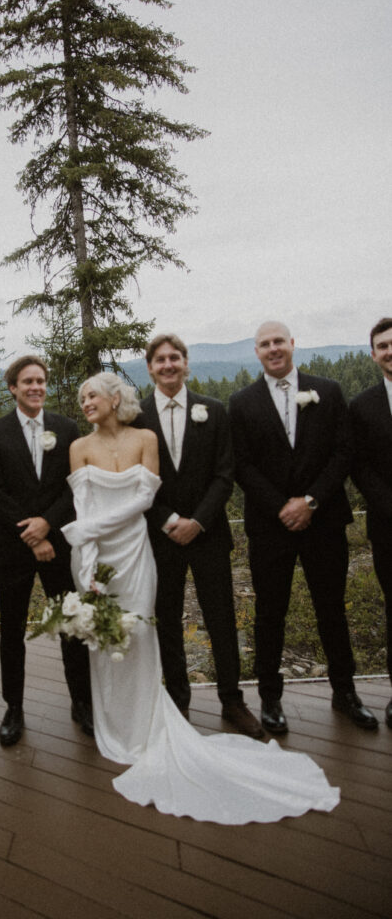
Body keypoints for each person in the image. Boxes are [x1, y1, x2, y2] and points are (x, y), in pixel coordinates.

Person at [61, 372, 340, 823]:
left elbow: (148, 496)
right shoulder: (78, 447)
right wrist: (87, 557)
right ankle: (112, 722)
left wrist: (87, 530)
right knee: (106, 637)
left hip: (135, 549)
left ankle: (160, 718)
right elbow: (83, 508)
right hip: (96, 553)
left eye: (92, 394)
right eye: (82, 397)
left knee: (143, 632)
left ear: (114, 399)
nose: (85, 402)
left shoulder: (145, 437)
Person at [228, 321, 377, 734]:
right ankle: (270, 699)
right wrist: (282, 507)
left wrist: (310, 501)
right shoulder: (241, 402)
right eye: (265, 344)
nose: (273, 348)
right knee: (269, 613)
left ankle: (345, 693)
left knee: (332, 609)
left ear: (292, 344)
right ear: (256, 352)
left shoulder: (327, 391)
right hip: (270, 525)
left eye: (279, 341)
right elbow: (242, 464)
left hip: (323, 520)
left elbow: (344, 452)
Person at [134, 334, 261, 738]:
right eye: (160, 359)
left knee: (221, 619)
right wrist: (169, 520)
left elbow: (225, 473)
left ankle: (232, 701)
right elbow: (134, 479)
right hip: (161, 537)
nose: (168, 365)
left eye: (175, 357)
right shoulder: (136, 417)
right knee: (167, 620)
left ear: (186, 364)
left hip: (209, 535)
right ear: (150, 368)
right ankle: (178, 702)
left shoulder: (214, 410)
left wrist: (198, 521)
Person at [0, 355, 92, 746]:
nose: (35, 387)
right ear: (13, 387)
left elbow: (73, 485)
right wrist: (32, 533)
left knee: (71, 623)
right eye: (27, 381)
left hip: (58, 543)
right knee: (11, 630)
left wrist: (47, 523)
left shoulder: (66, 428)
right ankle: (13, 708)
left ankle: (82, 702)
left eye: (40, 381)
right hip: (14, 548)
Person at [349, 317, 392, 729]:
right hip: (388, 525)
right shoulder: (363, 406)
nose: (390, 351)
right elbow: (359, 466)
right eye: (383, 346)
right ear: (373, 354)